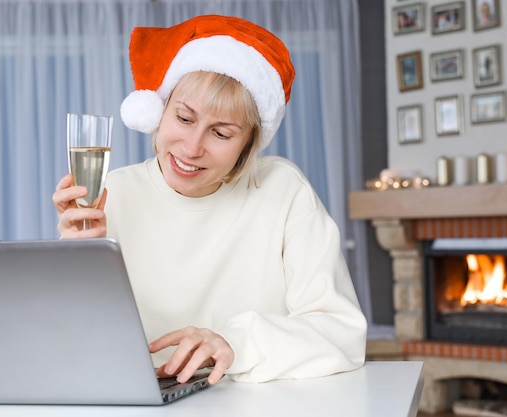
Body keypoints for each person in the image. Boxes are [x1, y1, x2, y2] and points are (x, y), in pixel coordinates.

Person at [53, 14, 367, 385]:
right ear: (160, 111)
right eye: (184, 118)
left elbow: (342, 333)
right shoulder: (113, 195)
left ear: (248, 145)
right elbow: (75, 345)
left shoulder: (283, 191)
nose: (191, 147)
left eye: (220, 132)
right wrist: (75, 265)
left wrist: (235, 345)